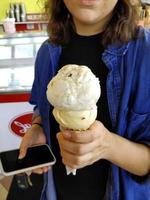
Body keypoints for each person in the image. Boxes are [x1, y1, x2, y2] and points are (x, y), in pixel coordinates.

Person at [19, 0, 150, 200]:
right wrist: (38, 127)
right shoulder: (47, 52)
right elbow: (41, 107)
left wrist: (108, 146)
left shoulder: (144, 54)